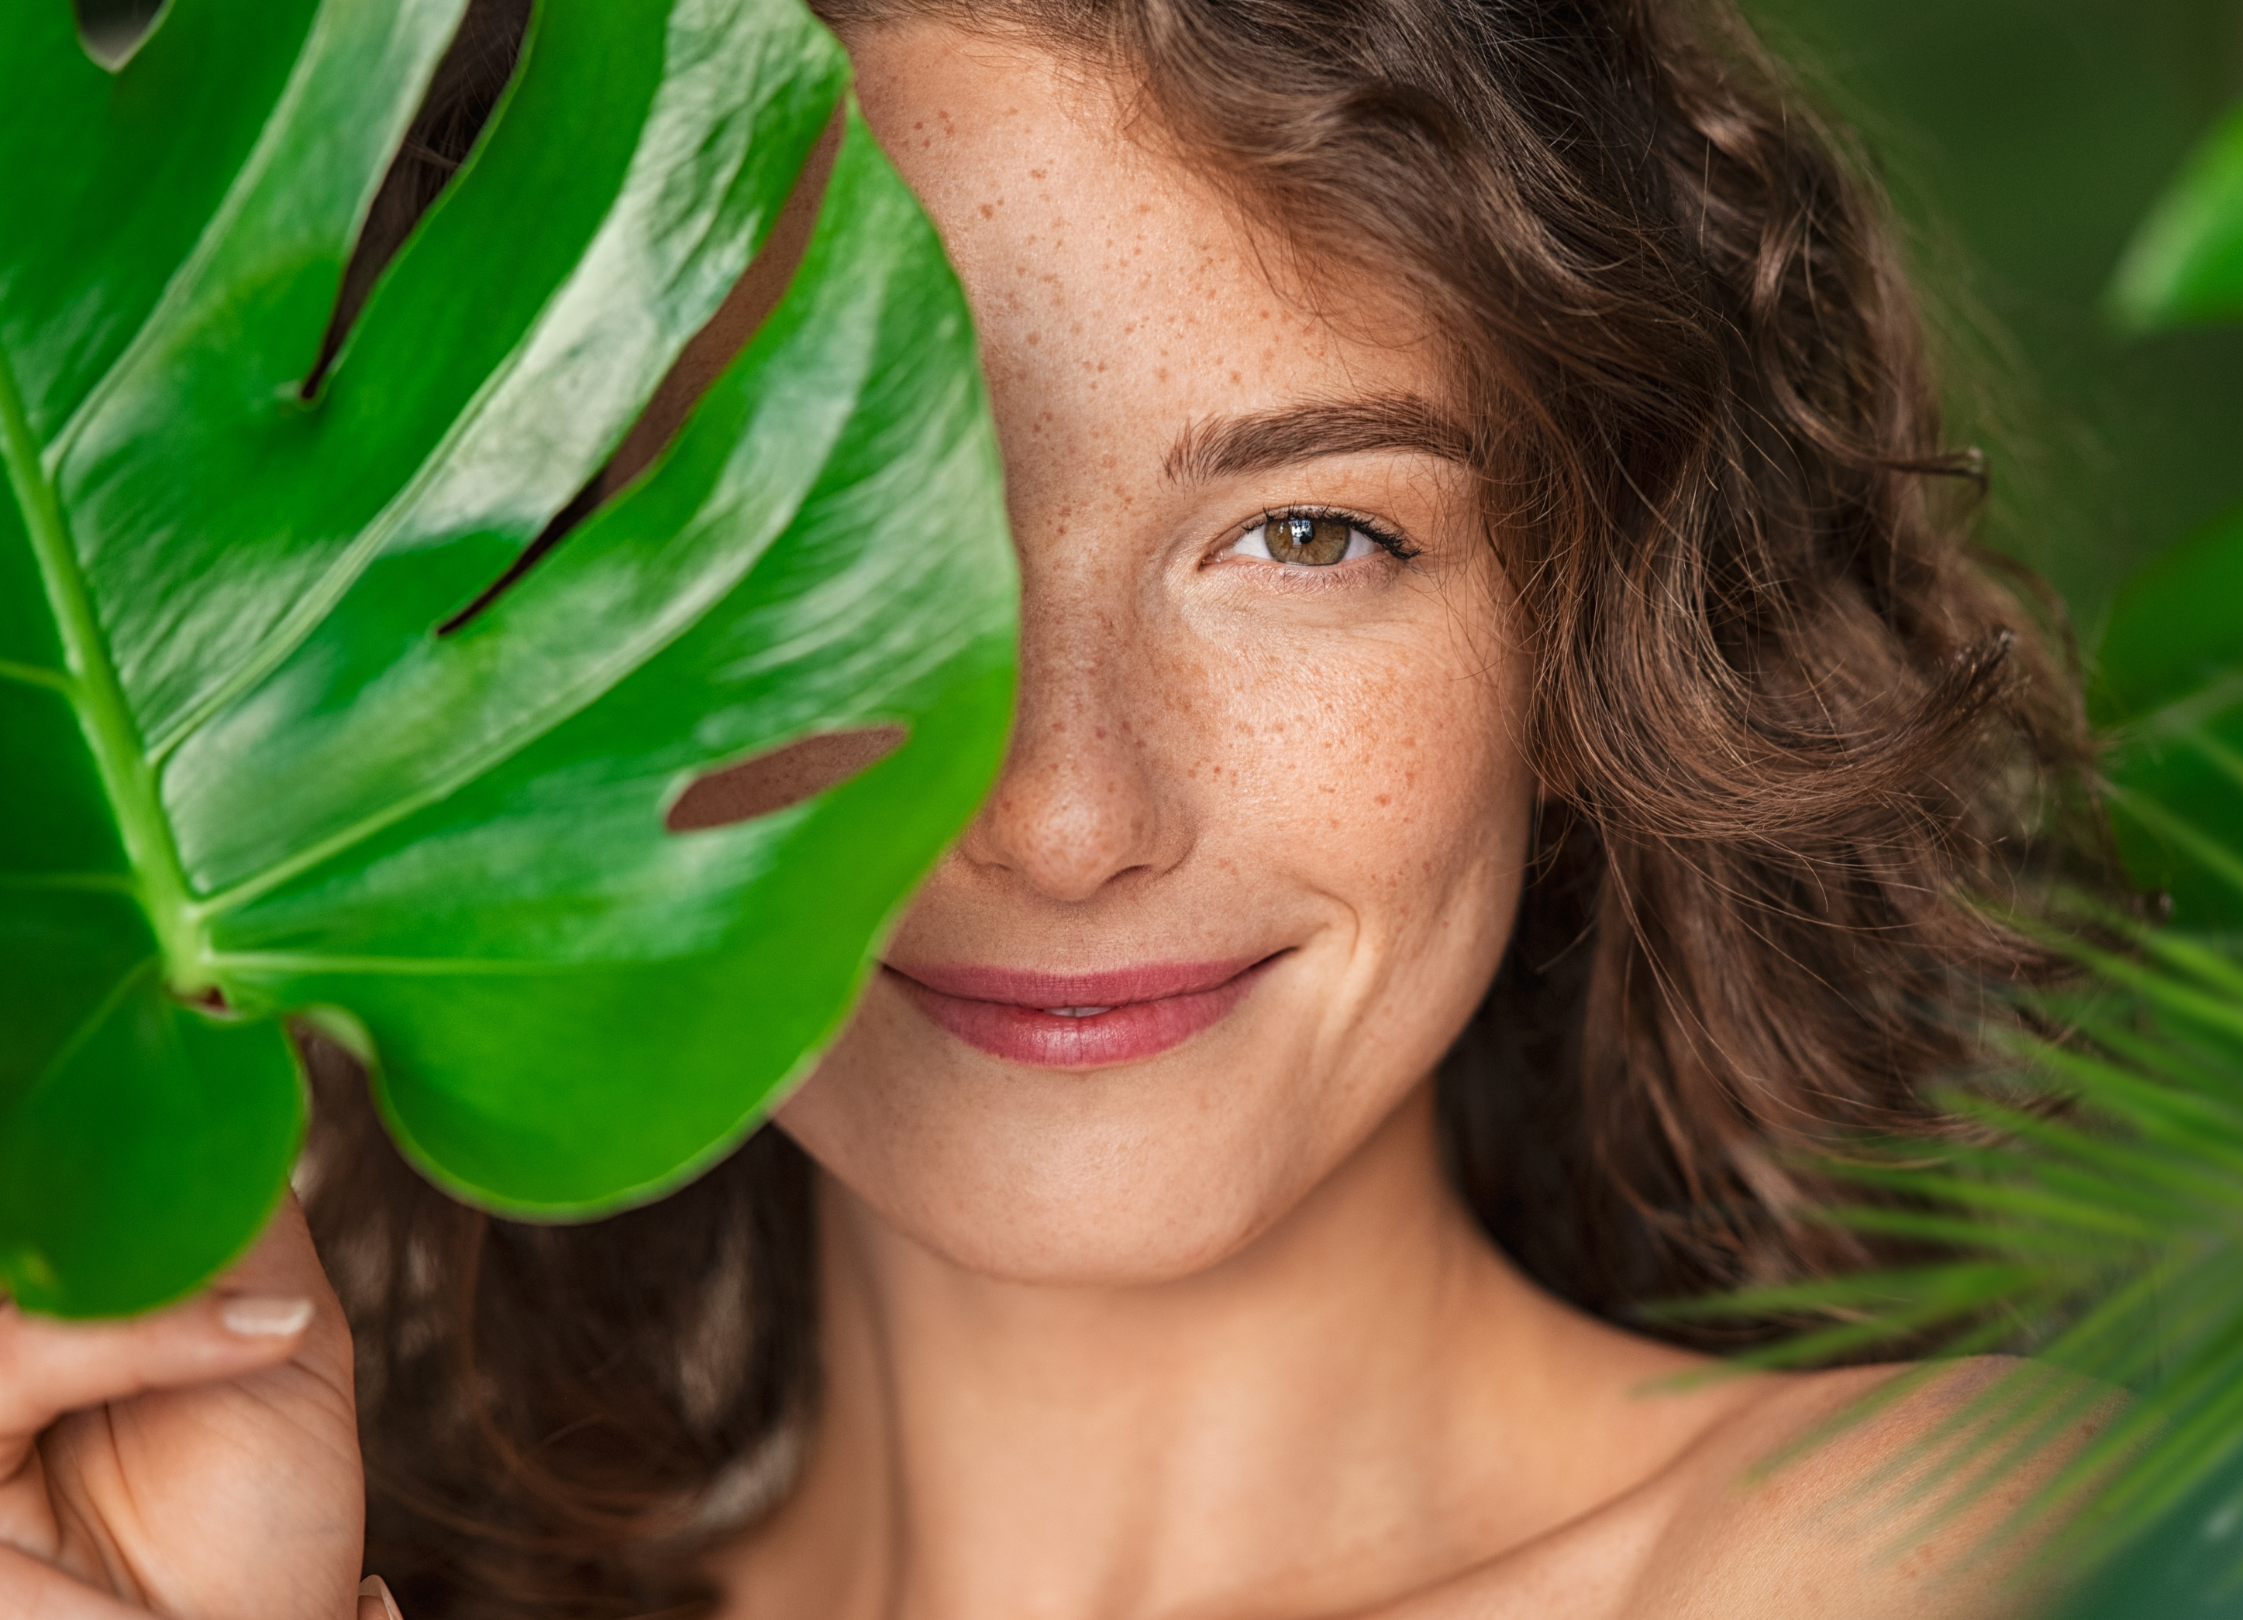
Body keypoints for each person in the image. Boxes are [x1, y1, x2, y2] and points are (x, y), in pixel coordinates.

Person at [0, 0, 2113, 1615]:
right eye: (838, 557)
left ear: (1585, 639)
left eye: (1308, 539)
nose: (1067, 817)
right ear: (525, 655)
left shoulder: (1980, 1553)